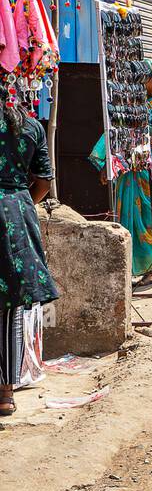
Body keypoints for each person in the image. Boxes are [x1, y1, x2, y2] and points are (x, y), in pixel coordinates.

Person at [89, 60, 152, 286]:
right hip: (137, 168)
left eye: (142, 78)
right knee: (139, 218)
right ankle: (144, 265)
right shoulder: (139, 104)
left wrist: (145, 141)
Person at [0, 106, 58, 417]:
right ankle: (6, 393)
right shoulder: (32, 127)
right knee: (11, 307)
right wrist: (18, 200)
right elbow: (44, 182)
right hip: (16, 217)